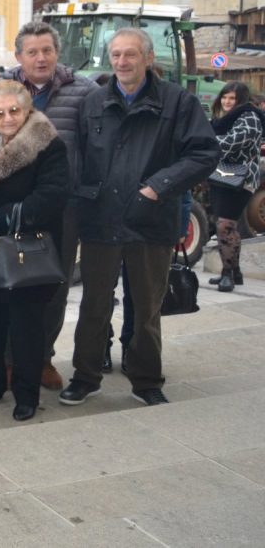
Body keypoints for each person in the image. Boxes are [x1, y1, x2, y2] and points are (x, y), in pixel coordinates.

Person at [61, 28, 218, 408]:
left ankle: (146, 380)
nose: (122, 62)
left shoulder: (178, 102)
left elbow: (204, 153)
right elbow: (78, 156)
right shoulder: (94, 101)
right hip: (100, 218)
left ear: (148, 58)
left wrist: (158, 186)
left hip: (150, 218)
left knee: (147, 307)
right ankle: (85, 377)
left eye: (130, 54)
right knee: (94, 304)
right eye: (116, 54)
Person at [0, 21, 99, 390]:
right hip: (10, 204)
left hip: (62, 208)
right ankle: (9, 361)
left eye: (47, 50)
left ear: (57, 53)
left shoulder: (83, 91)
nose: (41, 58)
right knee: (8, 283)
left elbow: (95, 146)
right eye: (32, 52)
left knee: (54, 285)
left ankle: (41, 359)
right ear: (18, 56)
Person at [0, 80, 69, 421]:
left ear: (27, 110)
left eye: (14, 111)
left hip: (27, 249)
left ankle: (26, 394)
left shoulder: (48, 145)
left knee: (26, 327)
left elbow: (52, 195)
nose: (7, 118)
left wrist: (3, 218)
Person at [208, 81, 264, 292]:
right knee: (228, 225)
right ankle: (235, 271)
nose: (227, 101)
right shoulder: (221, 118)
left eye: (232, 98)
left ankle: (227, 274)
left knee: (224, 225)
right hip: (222, 175)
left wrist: (206, 140)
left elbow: (232, 142)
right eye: (224, 97)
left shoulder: (250, 117)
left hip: (241, 178)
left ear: (241, 99)